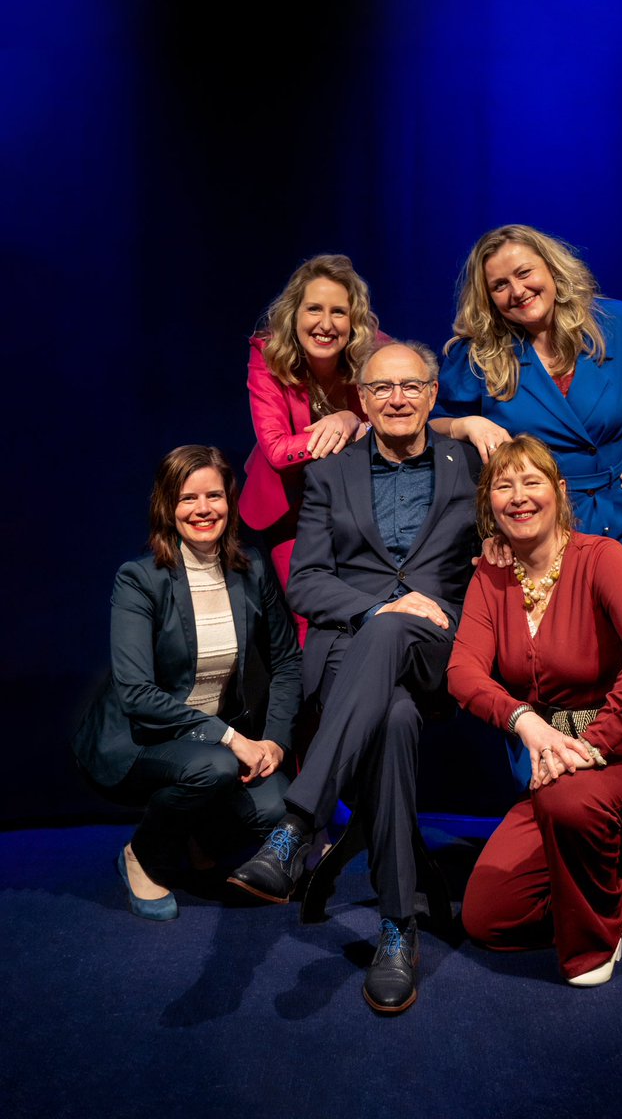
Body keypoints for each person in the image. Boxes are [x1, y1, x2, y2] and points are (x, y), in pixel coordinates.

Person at [432, 223, 622, 887]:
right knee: (536, 671)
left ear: (551, 269)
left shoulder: (616, 327)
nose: (515, 290)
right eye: (497, 284)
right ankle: (559, 803)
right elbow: (422, 422)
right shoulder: (479, 354)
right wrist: (467, 421)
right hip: (527, 531)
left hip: (610, 527)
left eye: (523, 273)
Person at [228, 342, 482, 1013]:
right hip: (347, 650)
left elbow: (498, 557)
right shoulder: (330, 473)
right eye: (381, 388)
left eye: (410, 386)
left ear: (432, 395)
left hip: (434, 647)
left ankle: (296, 824)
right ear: (361, 401)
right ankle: (398, 928)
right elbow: (306, 582)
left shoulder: (471, 466)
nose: (396, 398)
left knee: (399, 629)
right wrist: (376, 606)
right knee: (392, 718)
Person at [447, 436, 622, 986]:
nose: (518, 496)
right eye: (503, 485)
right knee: (488, 918)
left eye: (532, 482)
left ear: (560, 493)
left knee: (568, 797)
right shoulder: (491, 577)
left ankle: (595, 943)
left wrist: (596, 742)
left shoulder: (600, 558)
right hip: (559, 767)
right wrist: (525, 721)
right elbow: (463, 674)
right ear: (488, 504)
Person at [73, 445, 303, 921]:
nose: (203, 509)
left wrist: (276, 742)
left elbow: (286, 663)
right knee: (215, 768)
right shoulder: (139, 579)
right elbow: (137, 694)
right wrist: (233, 738)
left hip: (216, 740)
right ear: (166, 506)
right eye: (187, 498)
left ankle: (199, 831)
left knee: (276, 810)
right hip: (141, 739)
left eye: (214, 495)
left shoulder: (252, 567)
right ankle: (142, 856)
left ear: (229, 500)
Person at [239, 253, 389, 643]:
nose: (325, 324)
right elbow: (275, 450)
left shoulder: (379, 354)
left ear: (354, 320)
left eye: (338, 312)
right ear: (295, 314)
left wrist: (358, 420)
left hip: (357, 504)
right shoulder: (267, 354)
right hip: (289, 508)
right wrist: (344, 425)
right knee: (312, 616)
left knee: (369, 606)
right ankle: (321, 703)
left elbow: (406, 420)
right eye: (314, 309)